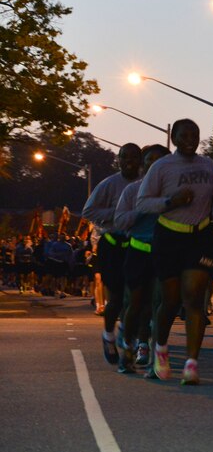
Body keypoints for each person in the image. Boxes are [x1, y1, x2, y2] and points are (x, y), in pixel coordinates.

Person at [135, 120, 213, 385]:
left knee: (194, 298)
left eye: (194, 134)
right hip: (169, 236)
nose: (189, 139)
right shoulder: (161, 167)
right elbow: (142, 203)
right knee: (170, 301)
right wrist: (170, 202)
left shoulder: (208, 165)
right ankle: (159, 350)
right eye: (183, 135)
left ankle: (191, 364)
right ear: (173, 137)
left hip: (201, 236)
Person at [81, 143, 142, 365]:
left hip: (136, 244)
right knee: (116, 298)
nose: (129, 161)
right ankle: (108, 336)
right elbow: (88, 211)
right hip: (112, 243)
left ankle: (128, 336)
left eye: (134, 157)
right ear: (118, 160)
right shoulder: (109, 184)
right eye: (124, 157)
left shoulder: (145, 184)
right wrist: (117, 214)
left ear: (140, 160)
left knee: (134, 296)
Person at [113, 143, 171, 373]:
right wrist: (144, 208)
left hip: (165, 252)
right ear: (142, 164)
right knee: (136, 304)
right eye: (149, 160)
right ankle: (128, 348)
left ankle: (153, 354)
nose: (153, 164)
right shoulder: (132, 191)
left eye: (159, 160)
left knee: (158, 304)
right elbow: (119, 221)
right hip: (138, 251)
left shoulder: (172, 192)